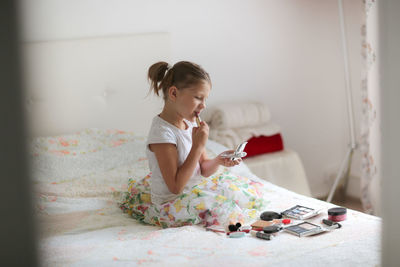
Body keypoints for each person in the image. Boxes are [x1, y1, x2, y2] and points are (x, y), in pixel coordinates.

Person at [120, 61, 266, 228]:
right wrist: (197, 146)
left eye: (205, 99)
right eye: (198, 98)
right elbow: (175, 186)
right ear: (174, 93)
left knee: (244, 191)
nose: (203, 105)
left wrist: (218, 160)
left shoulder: (189, 123)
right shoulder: (162, 134)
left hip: (194, 189)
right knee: (223, 209)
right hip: (171, 202)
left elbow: (203, 168)